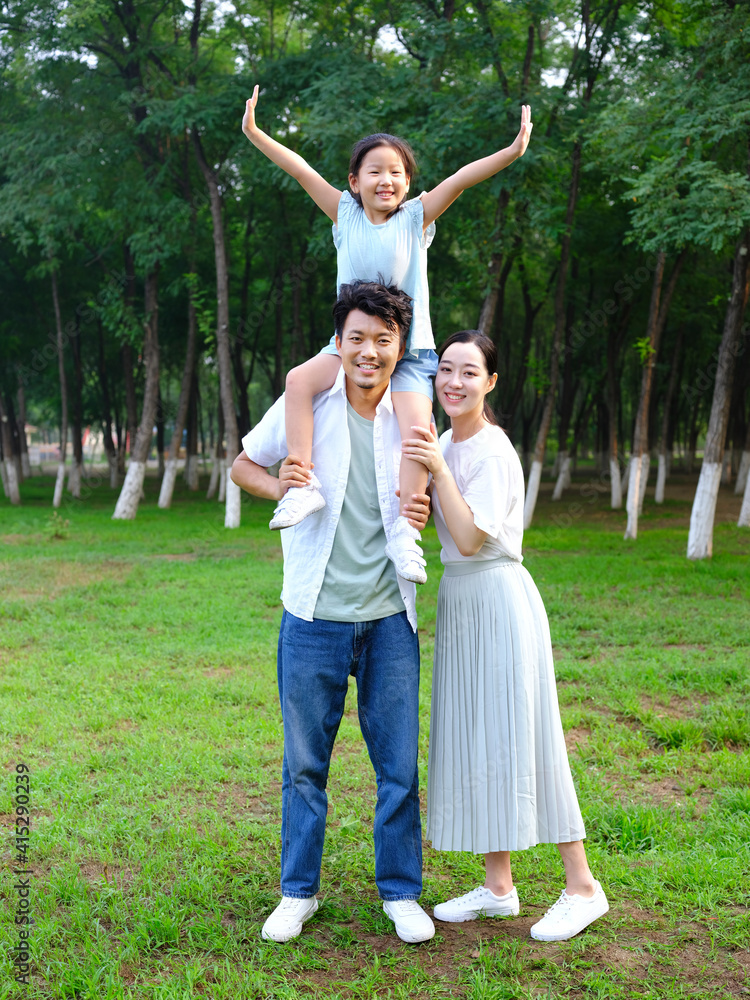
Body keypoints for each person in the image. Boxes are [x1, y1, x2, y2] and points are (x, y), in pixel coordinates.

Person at [241, 87, 532, 584]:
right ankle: (303, 486)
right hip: (351, 347)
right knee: (297, 380)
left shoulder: (416, 218)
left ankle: (403, 532)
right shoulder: (344, 215)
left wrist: (512, 151)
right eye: (374, 171)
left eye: (396, 172)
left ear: (408, 183)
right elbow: (299, 169)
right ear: (354, 182)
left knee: (418, 435)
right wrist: (253, 131)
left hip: (411, 351)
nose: (386, 180)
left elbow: (461, 179)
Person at [231, 281, 435, 946]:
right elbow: (241, 464)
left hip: (388, 624)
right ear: (337, 344)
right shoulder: (309, 406)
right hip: (312, 618)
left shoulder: (409, 416)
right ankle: (299, 893)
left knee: (398, 765)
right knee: (303, 765)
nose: (369, 351)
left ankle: (402, 892)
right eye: (357, 339)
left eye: (383, 340)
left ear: (399, 348)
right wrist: (279, 486)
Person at [400, 330, 609, 942]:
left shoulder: (491, 451)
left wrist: (437, 472)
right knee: (480, 738)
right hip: (461, 601)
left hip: (498, 595)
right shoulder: (441, 441)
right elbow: (424, 516)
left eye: (469, 372)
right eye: (444, 370)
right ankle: (498, 888)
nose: (453, 382)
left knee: (528, 737)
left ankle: (582, 886)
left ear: (490, 383)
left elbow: (469, 540)